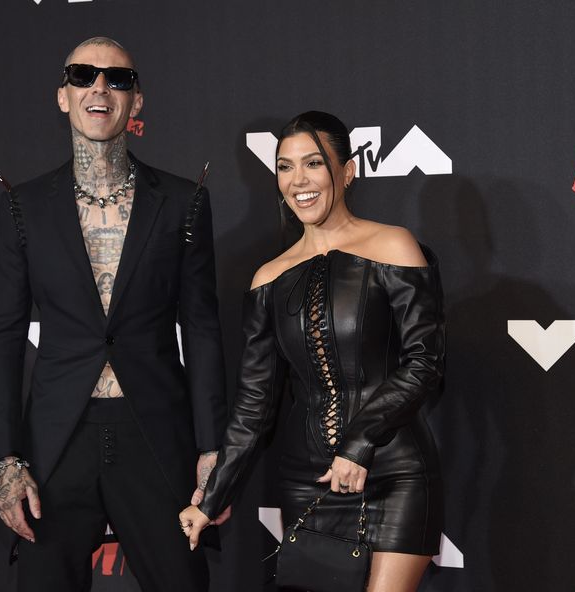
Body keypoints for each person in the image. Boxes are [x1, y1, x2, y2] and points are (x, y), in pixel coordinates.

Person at [0, 37, 227, 591]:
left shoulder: (185, 201)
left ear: (136, 101)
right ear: (62, 96)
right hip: (55, 440)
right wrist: (5, 459)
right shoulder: (23, 206)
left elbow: (205, 330)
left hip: (156, 434)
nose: (99, 87)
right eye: (83, 75)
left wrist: (213, 449)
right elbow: (2, 336)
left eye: (117, 79)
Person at [180, 111, 446, 592]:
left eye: (313, 164)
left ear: (346, 171)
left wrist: (360, 441)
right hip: (308, 483)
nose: (297, 180)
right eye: (284, 167)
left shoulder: (394, 245)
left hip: (393, 470)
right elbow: (254, 405)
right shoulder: (269, 277)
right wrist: (210, 498)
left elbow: (426, 363)